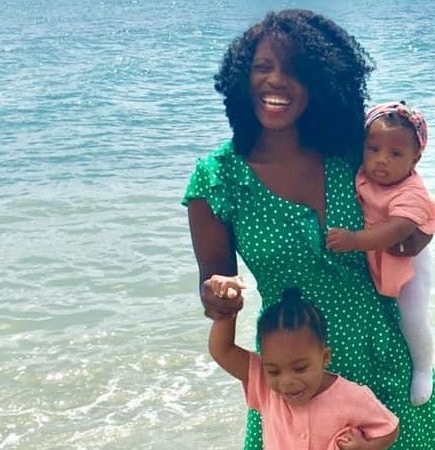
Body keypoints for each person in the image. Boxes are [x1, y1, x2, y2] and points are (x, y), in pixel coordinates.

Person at [182, 8, 435, 450]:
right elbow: (214, 287)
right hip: (292, 377)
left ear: (321, 81)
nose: (276, 80)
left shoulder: (353, 153)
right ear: (241, 78)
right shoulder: (217, 179)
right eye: (263, 67)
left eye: (296, 70)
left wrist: (417, 234)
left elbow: (413, 206)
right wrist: (218, 296)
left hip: (384, 357)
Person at [326, 101, 435, 407]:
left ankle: (424, 369)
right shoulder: (364, 171)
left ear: (415, 158)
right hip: (378, 255)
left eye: (395, 154)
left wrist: (354, 240)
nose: (381, 160)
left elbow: (397, 230)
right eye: (373, 149)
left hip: (409, 263)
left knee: (412, 316)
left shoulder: (411, 191)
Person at [208, 280, 399, 450]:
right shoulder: (264, 385)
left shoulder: (352, 396)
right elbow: (222, 350)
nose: (287, 381)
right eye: (274, 371)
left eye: (299, 368)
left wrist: (366, 447)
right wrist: (227, 311)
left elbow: (389, 429)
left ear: (325, 357)